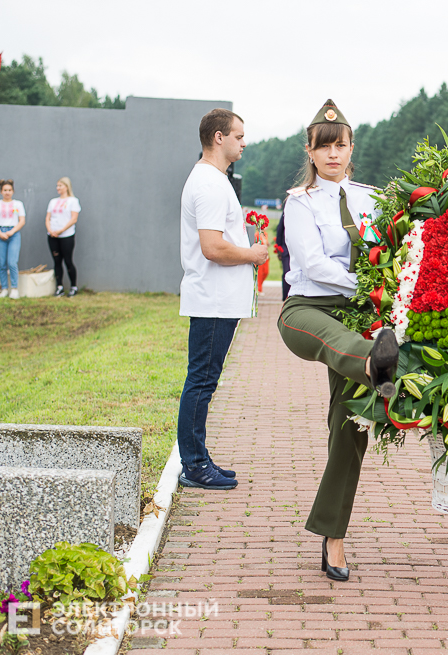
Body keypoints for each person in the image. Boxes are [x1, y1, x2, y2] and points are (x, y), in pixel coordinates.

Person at [277, 100, 398, 583]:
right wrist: (369, 285)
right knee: (339, 342)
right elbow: (312, 264)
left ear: (351, 149)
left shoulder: (372, 197)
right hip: (309, 308)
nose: (332, 153)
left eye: (340, 145)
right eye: (323, 146)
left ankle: (333, 537)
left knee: (349, 429)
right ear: (310, 150)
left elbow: (395, 244)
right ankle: (376, 363)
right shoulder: (299, 202)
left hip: (362, 312)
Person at [177, 108, 269, 491]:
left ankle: (199, 458)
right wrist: (254, 254)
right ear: (219, 137)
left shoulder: (213, 180)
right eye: (238, 136)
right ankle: (195, 464)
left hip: (216, 299)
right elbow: (213, 247)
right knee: (201, 382)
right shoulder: (211, 183)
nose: (244, 142)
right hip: (213, 299)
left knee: (204, 381)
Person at [45, 177, 80, 297]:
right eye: (57, 186)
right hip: (53, 235)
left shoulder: (73, 201)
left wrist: (61, 230)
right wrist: (50, 230)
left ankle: (73, 286)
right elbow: (48, 217)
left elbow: (73, 218)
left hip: (66, 236)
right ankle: (59, 286)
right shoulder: (53, 201)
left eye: (60, 186)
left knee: (68, 260)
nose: (58, 188)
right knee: (57, 261)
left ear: (66, 186)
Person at [0, 179, 26, 299]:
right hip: (0, 233)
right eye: (5, 190)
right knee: (2, 263)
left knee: (12, 262)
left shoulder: (18, 204)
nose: (7, 192)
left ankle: (14, 288)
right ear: (1, 191)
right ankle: (4, 289)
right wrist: (0, 233)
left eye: (9, 190)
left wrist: (12, 232)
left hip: (14, 233)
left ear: (12, 191)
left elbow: (22, 221)